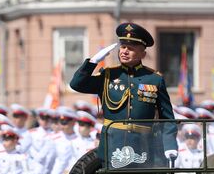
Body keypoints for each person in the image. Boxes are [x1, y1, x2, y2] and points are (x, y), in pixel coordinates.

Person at [69, 22, 177, 166]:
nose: (124, 51)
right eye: (123, 47)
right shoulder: (107, 75)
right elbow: (76, 84)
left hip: (143, 146)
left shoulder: (154, 79)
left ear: (142, 54)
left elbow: (167, 118)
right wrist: (92, 62)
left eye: (131, 49)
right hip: (113, 145)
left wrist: (170, 144)